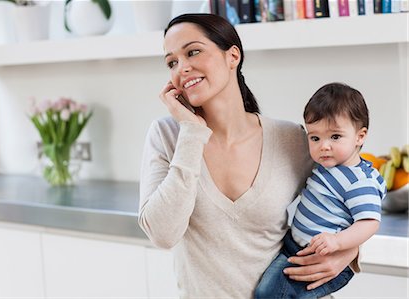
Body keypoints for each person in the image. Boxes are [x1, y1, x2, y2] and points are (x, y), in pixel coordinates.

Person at [138, 13, 360, 298]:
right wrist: (192, 132)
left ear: (233, 56)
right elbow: (163, 234)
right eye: (172, 62)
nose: (182, 67)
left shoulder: (290, 138)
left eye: (193, 51)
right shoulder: (168, 136)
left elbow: (354, 191)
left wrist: (349, 249)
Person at [254, 82, 387, 299]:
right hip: (293, 246)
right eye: (315, 138)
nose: (323, 146)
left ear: (360, 137)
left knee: (268, 294)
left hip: (325, 259)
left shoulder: (359, 181)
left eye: (335, 137)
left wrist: (337, 242)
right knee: (265, 292)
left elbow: (369, 222)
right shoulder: (326, 166)